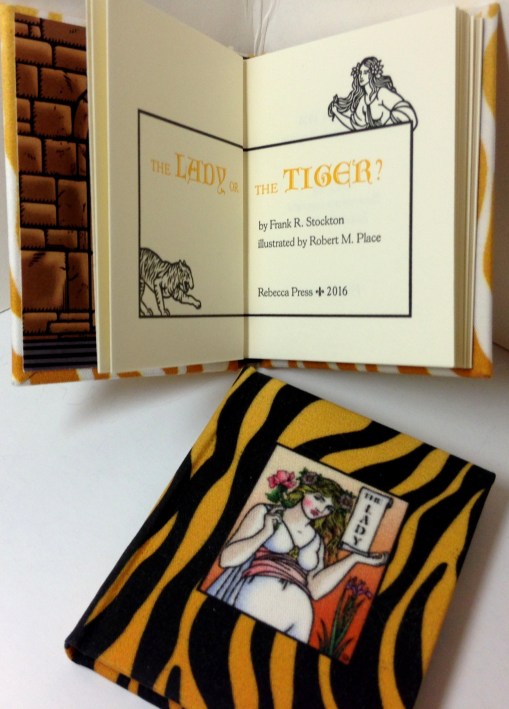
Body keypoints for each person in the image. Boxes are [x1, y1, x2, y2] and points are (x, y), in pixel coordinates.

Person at [206, 470, 388, 643]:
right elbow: (226, 559)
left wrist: (354, 558)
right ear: (305, 490)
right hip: (258, 598)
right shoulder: (264, 512)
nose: (320, 509)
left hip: (301, 614)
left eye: (328, 508)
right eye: (318, 498)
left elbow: (315, 589)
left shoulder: (317, 541)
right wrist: (265, 532)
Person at [328, 56, 418, 131]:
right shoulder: (363, 101)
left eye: (365, 73)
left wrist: (390, 124)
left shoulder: (382, 93)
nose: (361, 76)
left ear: (372, 74)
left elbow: (407, 113)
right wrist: (336, 112)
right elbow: (354, 125)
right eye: (360, 73)